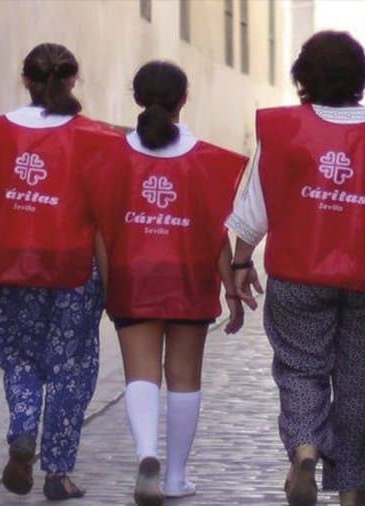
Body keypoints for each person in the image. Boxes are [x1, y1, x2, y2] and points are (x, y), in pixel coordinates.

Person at [228, 31, 365, 506]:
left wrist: (241, 260)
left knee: (299, 369)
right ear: (361, 77)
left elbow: (255, 205)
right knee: (362, 387)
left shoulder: (282, 129)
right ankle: (354, 492)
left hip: (297, 275)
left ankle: (305, 445)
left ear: (303, 78)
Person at [75, 61, 247, 506]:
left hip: (133, 275)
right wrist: (231, 288)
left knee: (141, 374)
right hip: (190, 276)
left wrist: (110, 286)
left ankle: (146, 454)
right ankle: (174, 478)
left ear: (136, 98)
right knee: (185, 377)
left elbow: (100, 231)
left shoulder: (109, 156)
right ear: (183, 100)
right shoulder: (210, 160)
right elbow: (216, 233)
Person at [0, 42, 105, 501]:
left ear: (26, 80)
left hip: (12, 263)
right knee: (70, 367)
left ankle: (23, 429)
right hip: (73, 267)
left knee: (20, 358)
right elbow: (102, 218)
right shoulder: (94, 138)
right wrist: (112, 279)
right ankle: (58, 472)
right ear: (72, 80)